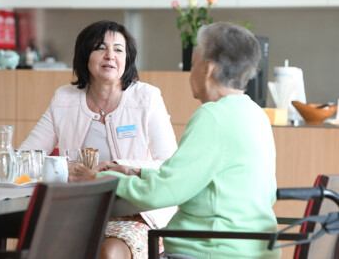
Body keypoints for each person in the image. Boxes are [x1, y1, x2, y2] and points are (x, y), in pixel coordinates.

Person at [70, 22, 281, 259]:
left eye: (193, 64)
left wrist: (97, 178)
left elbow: (162, 193)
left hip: (209, 250)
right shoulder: (255, 114)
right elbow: (187, 180)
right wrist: (135, 172)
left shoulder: (213, 116)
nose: (191, 73)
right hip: (249, 248)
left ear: (208, 68)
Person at [20, 20, 178, 259]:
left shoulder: (147, 98)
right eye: (100, 48)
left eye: (118, 49)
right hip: (79, 211)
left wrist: (120, 170)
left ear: (127, 58)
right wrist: (64, 169)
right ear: (85, 55)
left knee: (110, 253)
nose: (109, 56)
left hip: (136, 213)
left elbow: (169, 165)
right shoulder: (65, 99)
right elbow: (26, 158)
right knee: (39, 249)